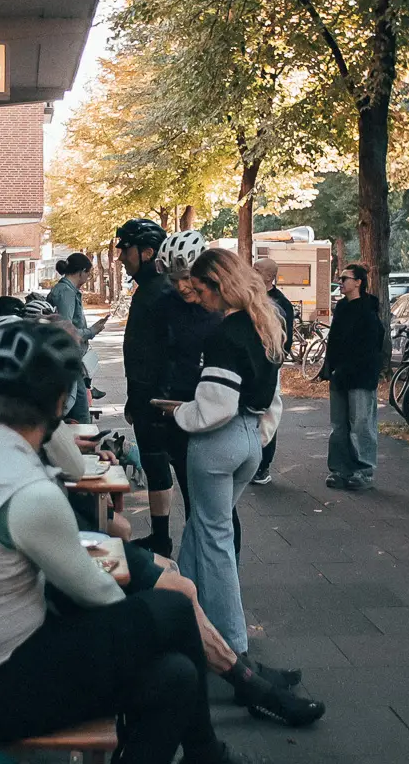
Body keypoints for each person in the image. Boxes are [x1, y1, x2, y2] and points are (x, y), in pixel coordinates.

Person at [0, 319, 239, 762]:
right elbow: (100, 596)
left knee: (175, 677)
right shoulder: (29, 493)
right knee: (172, 610)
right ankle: (208, 751)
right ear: (61, 400)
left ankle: (205, 753)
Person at [162, 248, 285, 679]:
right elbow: (273, 398)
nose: (198, 299)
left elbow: (214, 405)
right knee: (202, 529)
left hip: (217, 443)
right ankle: (180, 622)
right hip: (251, 439)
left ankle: (234, 649)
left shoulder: (224, 333)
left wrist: (178, 414)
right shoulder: (266, 325)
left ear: (219, 284)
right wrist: (258, 436)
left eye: (200, 290)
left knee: (214, 539)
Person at [115, 218, 177, 556]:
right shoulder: (153, 290)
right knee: (156, 466)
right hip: (150, 396)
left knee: (159, 464)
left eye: (126, 250)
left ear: (148, 251)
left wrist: (146, 398)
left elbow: (159, 353)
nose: (122, 257)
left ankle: (163, 538)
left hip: (157, 399)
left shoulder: (159, 292)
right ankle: (162, 536)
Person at [156, 230, 218, 517]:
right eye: (174, 279)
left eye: (187, 278)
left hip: (216, 416)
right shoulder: (168, 305)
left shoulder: (222, 307)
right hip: (181, 414)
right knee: (194, 501)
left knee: (217, 510)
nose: (181, 286)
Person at [321, 264, 385, 491]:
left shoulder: (368, 309)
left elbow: (369, 347)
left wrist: (353, 367)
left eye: (345, 278)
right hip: (339, 375)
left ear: (358, 282)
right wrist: (330, 368)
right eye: (339, 278)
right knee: (338, 425)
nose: (340, 282)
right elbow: (335, 340)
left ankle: (363, 471)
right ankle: (340, 469)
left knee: (361, 424)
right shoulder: (341, 308)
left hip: (360, 376)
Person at [250, 258, 295, 487]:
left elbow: (285, 341)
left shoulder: (281, 304)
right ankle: (251, 460)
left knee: (268, 414)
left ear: (269, 277)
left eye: (256, 270)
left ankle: (263, 465)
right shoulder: (249, 299)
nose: (251, 272)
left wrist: (273, 362)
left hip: (268, 367)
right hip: (250, 367)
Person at [46, 252, 107, 342]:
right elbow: (65, 332)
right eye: (88, 274)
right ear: (82, 272)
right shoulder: (66, 292)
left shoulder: (64, 290)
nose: (87, 278)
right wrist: (92, 331)